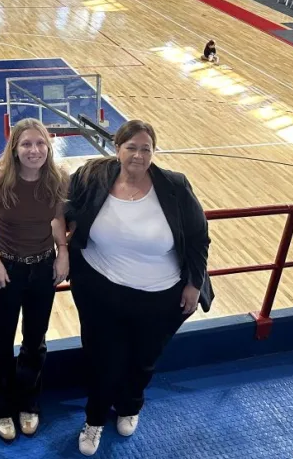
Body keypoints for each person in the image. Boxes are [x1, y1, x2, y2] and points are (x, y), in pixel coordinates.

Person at [65, 120, 214, 456]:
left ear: (153, 152)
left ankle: (130, 406)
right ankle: (94, 420)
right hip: (100, 291)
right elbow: (66, 207)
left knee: (144, 359)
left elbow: (198, 237)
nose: (138, 154)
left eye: (145, 148)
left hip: (161, 296)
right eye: (131, 147)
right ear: (117, 149)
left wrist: (194, 282)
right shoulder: (93, 175)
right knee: (104, 360)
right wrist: (62, 245)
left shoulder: (174, 186)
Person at [0, 119, 69, 442]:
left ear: (48, 147)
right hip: (7, 271)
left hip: (43, 270)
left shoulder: (58, 179)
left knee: (36, 339)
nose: (34, 150)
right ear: (15, 149)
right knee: (1, 341)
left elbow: (58, 218)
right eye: (27, 144)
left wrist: (63, 251)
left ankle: (28, 402)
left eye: (40, 144)